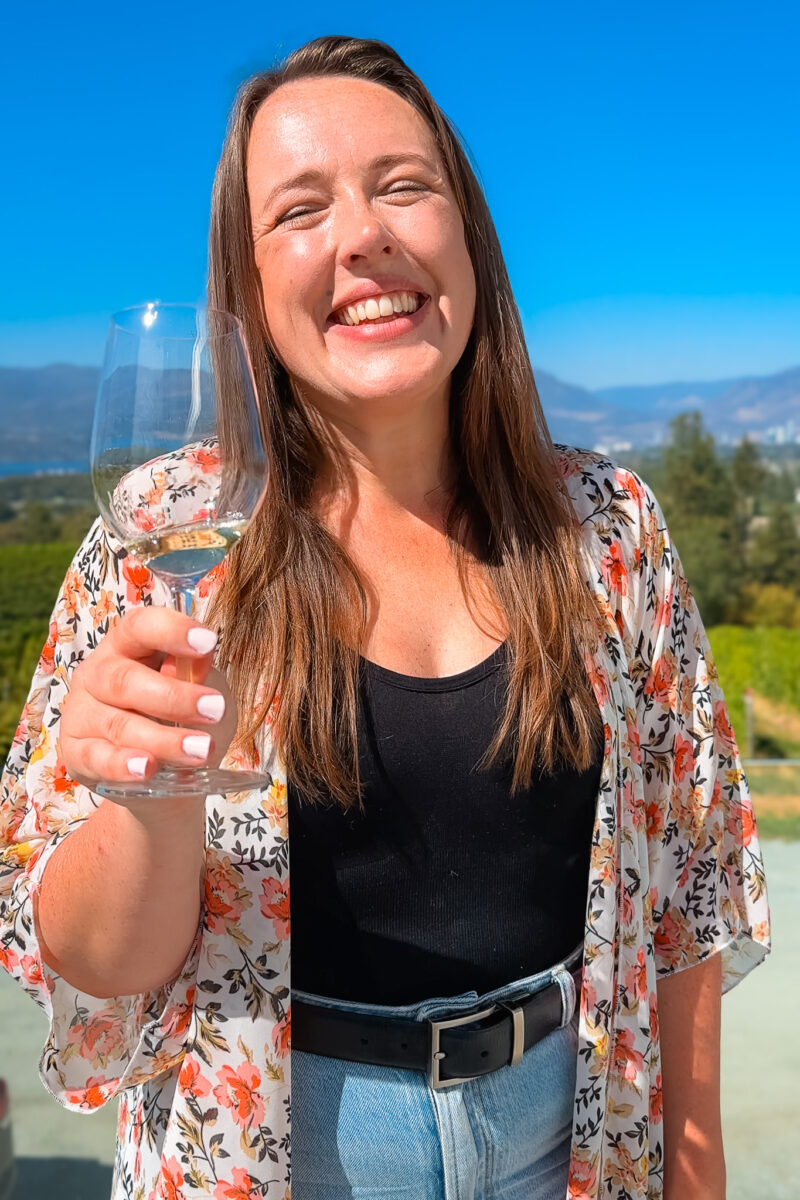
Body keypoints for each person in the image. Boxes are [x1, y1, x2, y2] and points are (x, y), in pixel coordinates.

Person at [0, 34, 770, 1200]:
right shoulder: (167, 533)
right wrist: (148, 801)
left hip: (569, 1138)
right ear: (249, 286)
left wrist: (696, 1174)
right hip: (277, 1152)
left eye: (402, 186)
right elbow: (102, 965)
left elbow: (690, 885)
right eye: (299, 209)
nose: (362, 235)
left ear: (466, 234)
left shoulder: (608, 530)